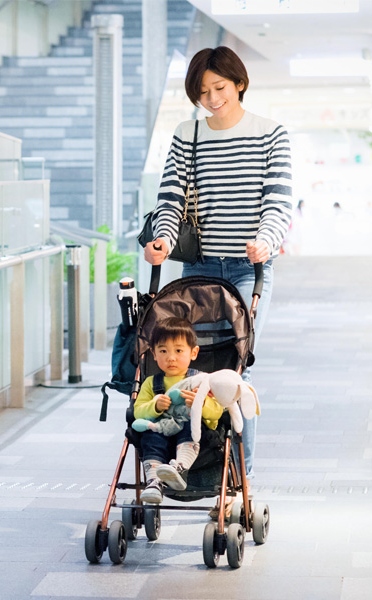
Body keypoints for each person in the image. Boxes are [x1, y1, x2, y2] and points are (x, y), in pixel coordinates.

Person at [143, 46, 293, 480]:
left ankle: (237, 479)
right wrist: (163, 241)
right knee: (193, 372)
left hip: (250, 271)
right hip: (199, 272)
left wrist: (266, 240)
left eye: (220, 87)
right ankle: (189, 467)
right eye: (203, 91)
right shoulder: (187, 135)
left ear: (239, 83)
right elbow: (170, 199)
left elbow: (278, 200)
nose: (212, 98)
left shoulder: (271, 133)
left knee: (232, 373)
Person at [133, 317, 224, 504]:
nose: (171, 357)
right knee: (150, 436)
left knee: (190, 424)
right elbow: (137, 413)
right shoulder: (151, 383)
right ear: (154, 354)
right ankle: (154, 482)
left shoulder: (202, 381)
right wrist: (155, 406)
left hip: (193, 435)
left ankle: (180, 468)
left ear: (193, 352)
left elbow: (218, 411)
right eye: (163, 351)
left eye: (179, 350)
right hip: (162, 433)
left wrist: (202, 404)